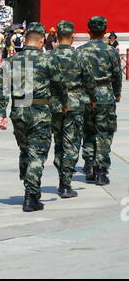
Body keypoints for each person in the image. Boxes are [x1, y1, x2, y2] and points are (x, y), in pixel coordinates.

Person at [0, 22, 69, 212]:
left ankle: (30, 186)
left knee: (26, 150)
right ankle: (30, 197)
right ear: (42, 40)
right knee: (38, 154)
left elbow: (2, 91)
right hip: (39, 111)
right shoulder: (48, 60)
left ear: (25, 40)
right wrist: (64, 103)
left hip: (19, 110)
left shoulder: (11, 62)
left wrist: (1, 114)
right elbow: (60, 85)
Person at [50, 21, 97, 197]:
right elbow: (89, 81)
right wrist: (92, 98)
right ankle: (65, 183)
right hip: (75, 103)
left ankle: (61, 170)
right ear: (73, 35)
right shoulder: (79, 56)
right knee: (72, 143)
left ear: (56, 35)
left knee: (59, 142)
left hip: (54, 105)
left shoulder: (49, 55)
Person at [77, 16, 122, 185]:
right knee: (104, 133)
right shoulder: (111, 51)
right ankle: (101, 171)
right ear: (105, 31)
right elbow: (117, 75)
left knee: (87, 130)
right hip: (105, 95)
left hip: (85, 96)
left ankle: (88, 165)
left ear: (88, 30)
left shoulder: (80, 51)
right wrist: (117, 93)